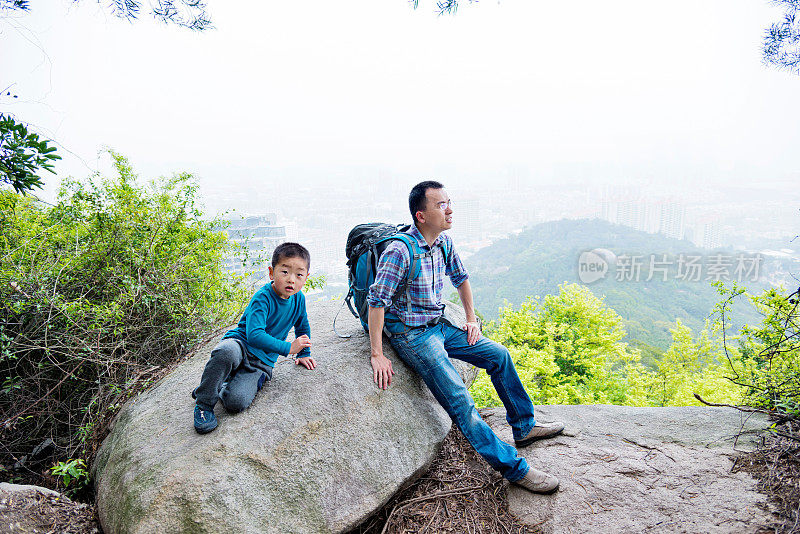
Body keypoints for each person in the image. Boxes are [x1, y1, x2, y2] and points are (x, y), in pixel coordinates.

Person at [366, 181, 564, 494]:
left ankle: (524, 426)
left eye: (449, 202)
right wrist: (377, 353)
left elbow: (461, 278)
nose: (450, 209)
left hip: (439, 324)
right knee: (462, 403)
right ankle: (516, 469)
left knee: (498, 355)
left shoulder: (443, 242)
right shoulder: (400, 252)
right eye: (441, 205)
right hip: (413, 336)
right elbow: (377, 301)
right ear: (421, 215)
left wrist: (471, 319)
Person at [193, 242, 316, 434]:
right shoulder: (263, 297)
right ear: (271, 272)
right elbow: (255, 335)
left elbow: (302, 326)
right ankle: (204, 404)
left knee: (236, 402)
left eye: (299, 275)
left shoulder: (299, 299)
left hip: (262, 362)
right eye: (285, 272)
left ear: (306, 278)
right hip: (241, 345)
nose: (291, 279)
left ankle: (217, 383)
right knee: (225, 352)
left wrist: (304, 352)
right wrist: (288, 348)